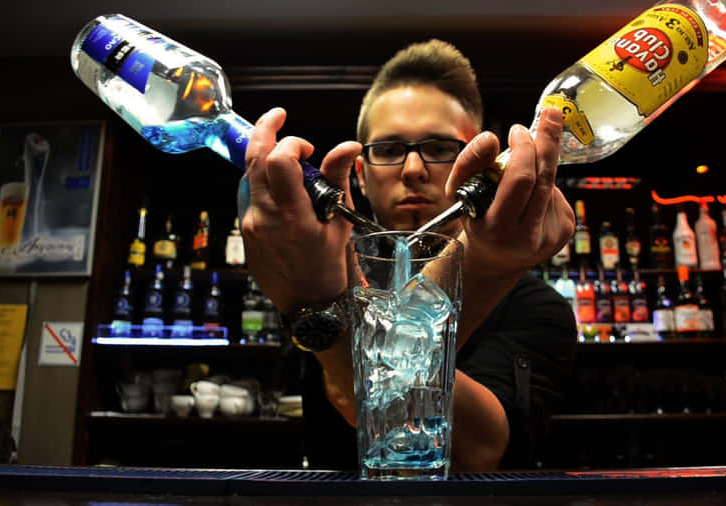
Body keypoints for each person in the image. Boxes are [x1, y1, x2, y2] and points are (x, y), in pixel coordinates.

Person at [238, 39, 577, 471]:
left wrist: (317, 302)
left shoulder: (535, 306)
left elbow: (476, 451)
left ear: (480, 162)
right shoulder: (331, 276)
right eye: (389, 150)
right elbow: (344, 404)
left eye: (438, 149)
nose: (413, 169)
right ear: (360, 175)